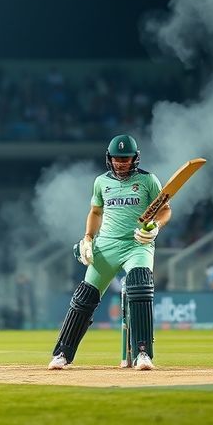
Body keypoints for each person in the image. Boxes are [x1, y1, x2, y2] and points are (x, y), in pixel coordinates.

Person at [48, 134, 171, 371]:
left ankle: (143, 353)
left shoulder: (148, 180)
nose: (121, 163)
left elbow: (164, 210)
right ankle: (62, 353)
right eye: (117, 158)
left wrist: (155, 226)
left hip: (138, 244)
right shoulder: (101, 182)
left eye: (125, 159)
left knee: (139, 286)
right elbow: (95, 212)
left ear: (135, 158)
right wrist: (87, 238)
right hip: (107, 245)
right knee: (84, 297)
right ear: (109, 158)